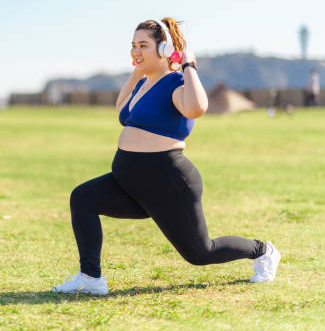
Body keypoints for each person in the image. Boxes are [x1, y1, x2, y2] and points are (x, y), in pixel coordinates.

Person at [51, 18, 280, 295]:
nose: (136, 51)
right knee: (83, 198)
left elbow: (197, 107)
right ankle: (91, 278)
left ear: (162, 48)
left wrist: (188, 64)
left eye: (143, 45)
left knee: (200, 253)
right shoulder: (145, 83)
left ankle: (263, 251)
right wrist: (137, 72)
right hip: (130, 181)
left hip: (167, 182)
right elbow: (122, 108)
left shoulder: (176, 82)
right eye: (133, 46)